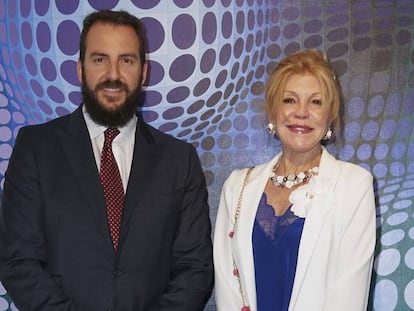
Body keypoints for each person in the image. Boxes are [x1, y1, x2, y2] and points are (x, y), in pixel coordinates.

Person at [0, 10, 213, 311]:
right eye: (100, 59)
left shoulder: (179, 159)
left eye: (126, 60)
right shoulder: (36, 149)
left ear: (143, 72)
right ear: (80, 70)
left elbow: (195, 268)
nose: (113, 74)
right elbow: (18, 260)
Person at [213, 49, 376, 311]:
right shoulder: (237, 186)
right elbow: (227, 284)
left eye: (316, 102)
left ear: (330, 114)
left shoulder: (355, 185)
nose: (301, 112)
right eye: (289, 100)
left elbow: (348, 295)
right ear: (272, 111)